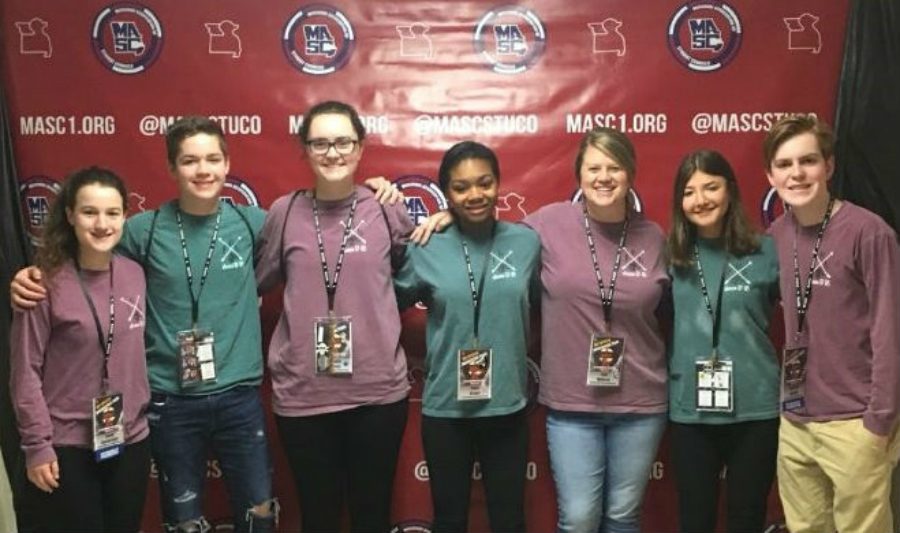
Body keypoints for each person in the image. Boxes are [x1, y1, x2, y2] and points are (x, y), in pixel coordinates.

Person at [12, 117, 277, 533]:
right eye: (189, 160)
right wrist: (29, 276)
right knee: (183, 520)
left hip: (239, 395)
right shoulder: (142, 231)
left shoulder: (255, 223)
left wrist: (376, 192)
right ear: (171, 169)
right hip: (169, 401)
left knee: (259, 513)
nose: (202, 170)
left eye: (212, 159)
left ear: (227, 164)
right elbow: (87, 254)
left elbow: (317, 220)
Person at [411, 128, 669, 533]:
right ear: (579, 176)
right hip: (558, 404)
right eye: (594, 167)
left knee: (621, 517)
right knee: (578, 517)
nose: (603, 176)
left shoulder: (652, 237)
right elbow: (473, 233)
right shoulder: (546, 226)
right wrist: (449, 216)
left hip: (635, 400)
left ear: (630, 174)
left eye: (614, 167)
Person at [255, 100, 413, 533]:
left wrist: (437, 215)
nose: (333, 152)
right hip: (304, 395)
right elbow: (252, 280)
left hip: (376, 392)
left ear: (360, 147)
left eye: (343, 141)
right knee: (319, 517)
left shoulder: (386, 208)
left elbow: (417, 269)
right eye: (320, 142)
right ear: (305, 150)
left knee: (372, 517)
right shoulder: (283, 213)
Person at [395, 141, 540, 533]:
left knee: (509, 520)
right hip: (446, 409)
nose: (475, 195)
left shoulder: (527, 242)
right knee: (450, 520)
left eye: (484, 183)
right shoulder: (426, 246)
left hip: (507, 405)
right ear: (447, 194)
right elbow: (384, 303)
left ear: (498, 184)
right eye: (461, 188)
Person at [764, 115, 900, 533]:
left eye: (808, 161)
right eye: (785, 165)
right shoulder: (776, 235)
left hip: (855, 422)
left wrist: (879, 420)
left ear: (829, 166)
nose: (797, 173)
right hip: (797, 420)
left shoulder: (868, 233)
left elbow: (889, 329)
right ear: (771, 175)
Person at [10, 167, 150, 532]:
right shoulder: (43, 284)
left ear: (124, 217)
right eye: (90, 212)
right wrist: (37, 445)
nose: (101, 223)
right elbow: (25, 372)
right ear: (70, 215)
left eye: (112, 213)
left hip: (129, 440)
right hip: (66, 447)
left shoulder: (135, 274)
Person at [666, 150, 779, 532]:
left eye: (710, 187)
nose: (700, 200)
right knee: (695, 520)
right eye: (689, 191)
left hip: (756, 408)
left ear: (730, 190)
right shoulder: (671, 257)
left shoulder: (767, 251)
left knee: (746, 518)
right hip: (690, 412)